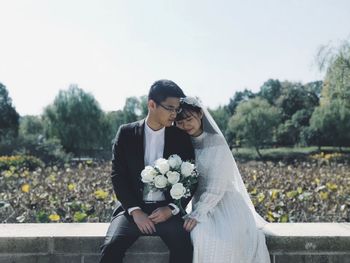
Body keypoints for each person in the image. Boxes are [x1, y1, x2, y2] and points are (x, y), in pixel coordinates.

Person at [99, 80, 196, 263]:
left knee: (184, 246)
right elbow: (117, 176)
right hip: (133, 211)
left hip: (168, 211)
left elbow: (192, 177)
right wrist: (136, 212)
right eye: (170, 108)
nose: (174, 114)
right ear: (151, 104)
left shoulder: (181, 137)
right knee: (111, 247)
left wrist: (172, 208)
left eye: (177, 109)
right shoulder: (126, 133)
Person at [175, 97, 271, 263]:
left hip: (224, 202)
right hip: (198, 201)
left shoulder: (216, 143)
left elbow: (217, 185)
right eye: (180, 122)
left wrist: (198, 213)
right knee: (195, 234)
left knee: (210, 237)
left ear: (199, 114)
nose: (186, 125)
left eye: (189, 119)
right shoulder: (182, 143)